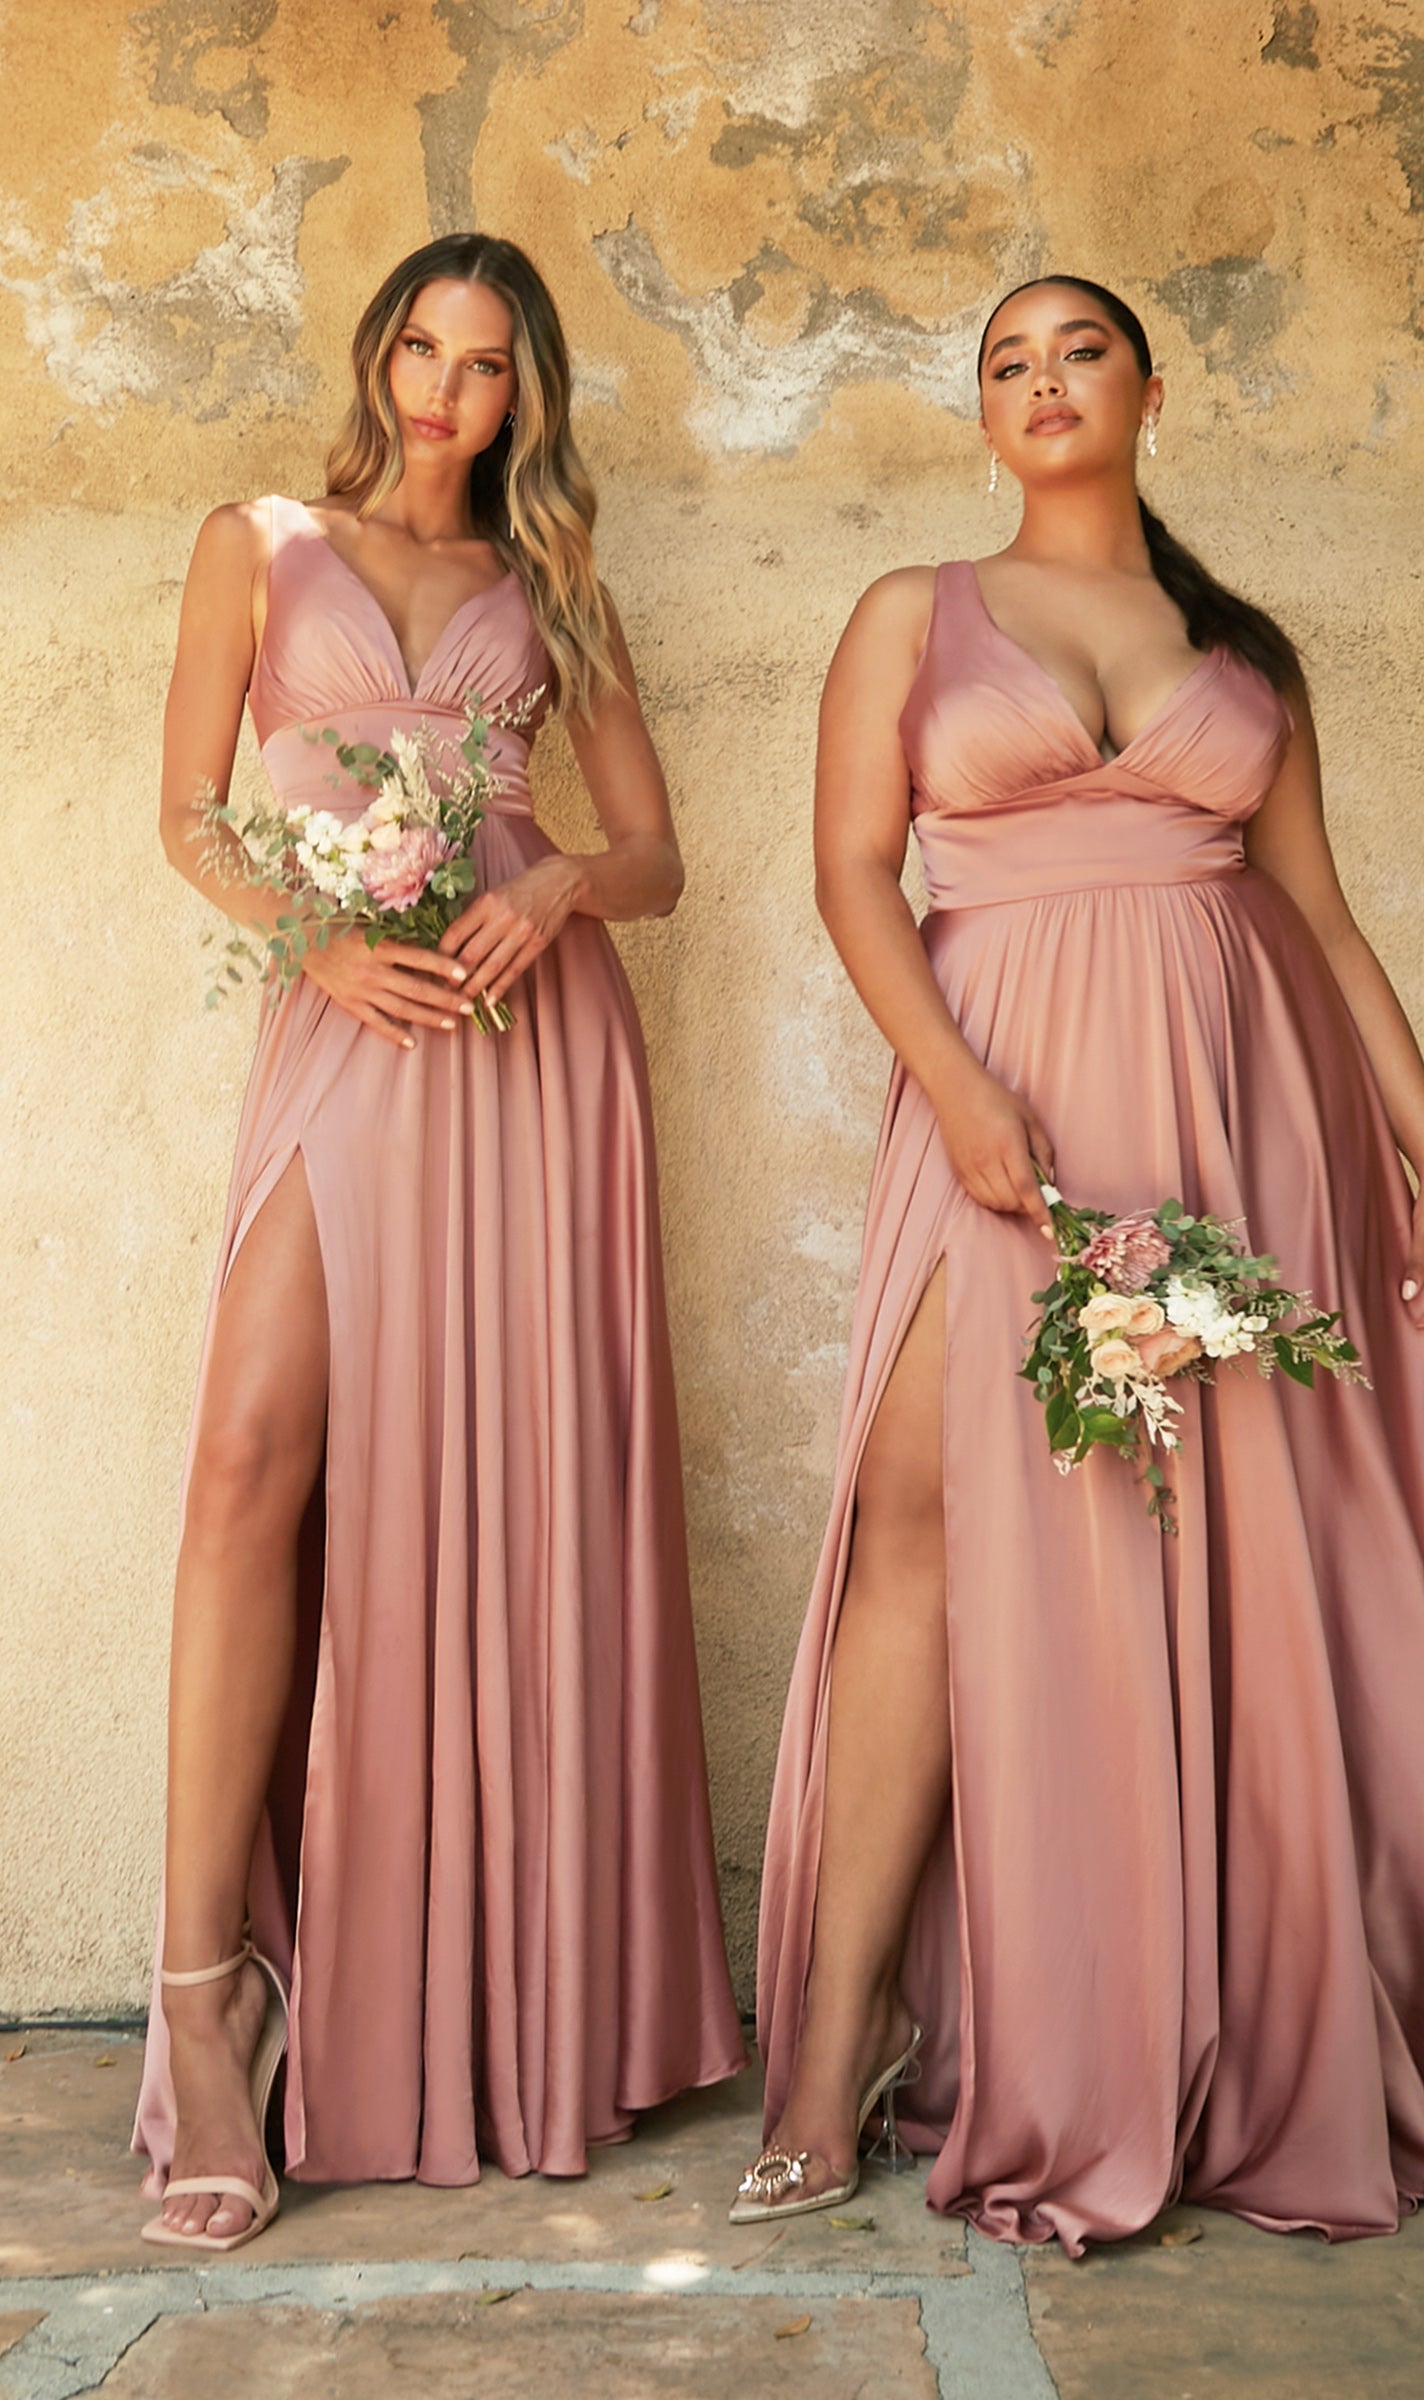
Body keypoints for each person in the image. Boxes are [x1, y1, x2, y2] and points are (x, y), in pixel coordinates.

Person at [739, 274, 1424, 2249]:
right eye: (1004, 361)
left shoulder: (1238, 651)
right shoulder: (910, 613)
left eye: (1077, 351)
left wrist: (1422, 1147)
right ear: (981, 414)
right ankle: (834, 2039)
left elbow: (1315, 911)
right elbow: (845, 874)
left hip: (1230, 1107)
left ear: (1146, 387)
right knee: (920, 1516)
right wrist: (949, 1088)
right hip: (1000, 1091)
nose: (1039, 381)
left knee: (1192, 1534)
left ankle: (1179, 2020)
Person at [134, 232, 743, 2251]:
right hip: (345, 1020)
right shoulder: (260, 535)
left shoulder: (547, 584)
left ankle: (490, 1999)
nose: (443, 392)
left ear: (526, 397)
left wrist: (559, 878)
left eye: (487, 367)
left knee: (491, 1509)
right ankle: (205, 2007)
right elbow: (191, 816)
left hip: (524, 1059)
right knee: (246, 1471)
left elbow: (654, 852)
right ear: (377, 349)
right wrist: (315, 935)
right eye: (419, 347)